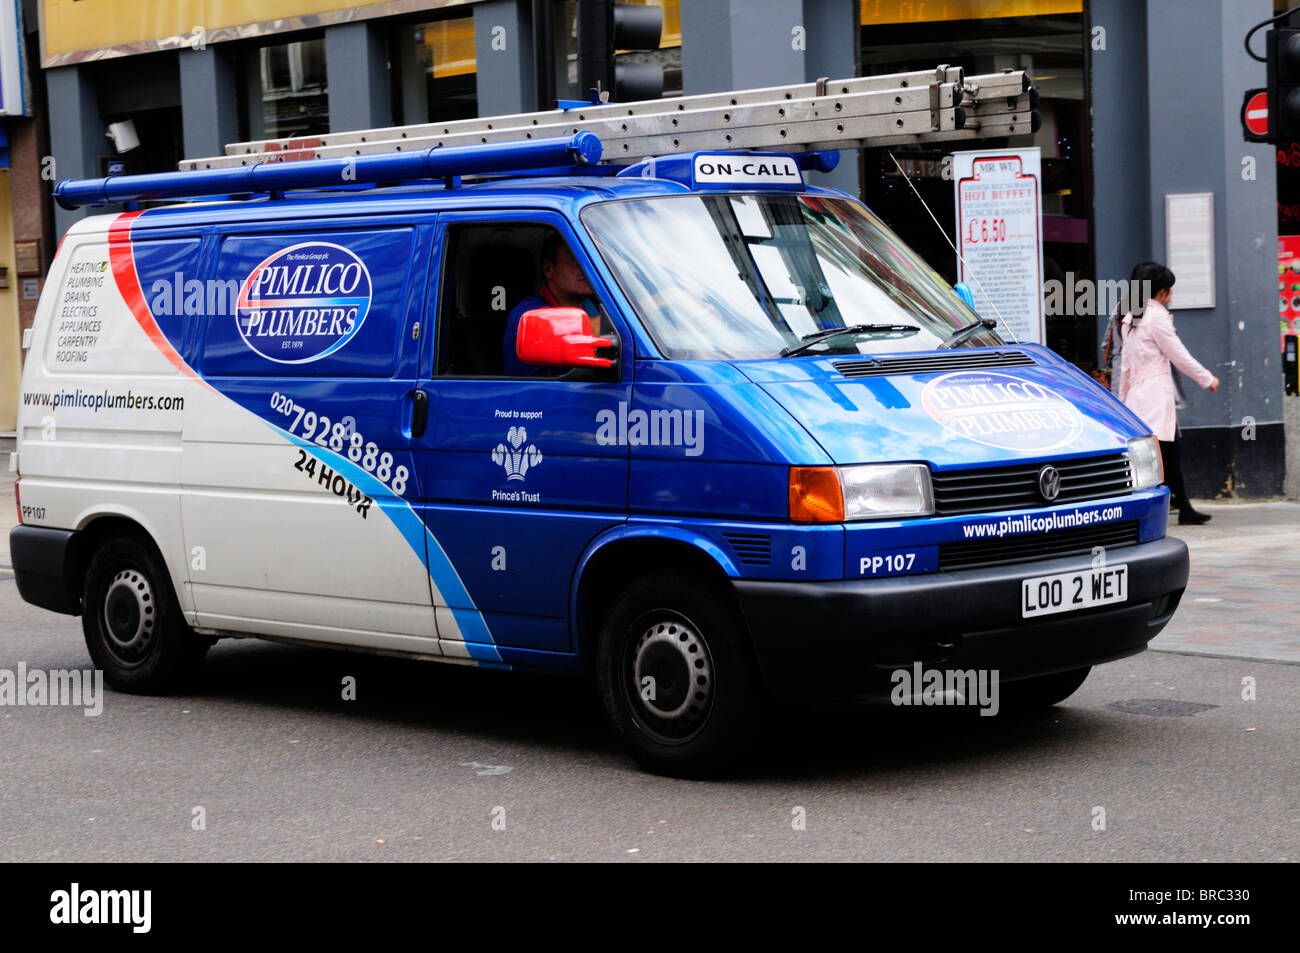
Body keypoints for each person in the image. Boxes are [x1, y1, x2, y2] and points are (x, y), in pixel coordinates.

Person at [1117, 261, 1220, 525]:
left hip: (1136, 398)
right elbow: (1179, 355)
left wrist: (1120, 402)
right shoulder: (1157, 316)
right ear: (1161, 292)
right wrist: (1206, 378)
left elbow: (1125, 366)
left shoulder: (1129, 317)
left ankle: (1181, 507)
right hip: (1155, 397)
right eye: (1169, 290)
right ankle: (1178, 508)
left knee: (1161, 454)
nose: (1171, 295)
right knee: (1166, 454)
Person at [502, 234, 599, 376]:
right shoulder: (528, 313)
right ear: (548, 269)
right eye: (574, 259)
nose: (587, 267)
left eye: (589, 260)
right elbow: (577, 334)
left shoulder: (592, 305)